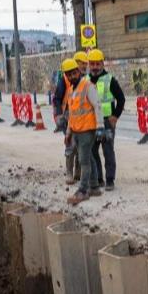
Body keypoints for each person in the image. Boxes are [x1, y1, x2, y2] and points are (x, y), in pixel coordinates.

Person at [64, 58, 106, 204]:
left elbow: (97, 106)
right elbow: (72, 113)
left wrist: (100, 127)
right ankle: (94, 187)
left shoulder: (87, 86)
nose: (71, 76)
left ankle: (83, 190)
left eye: (73, 73)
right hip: (77, 131)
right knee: (90, 158)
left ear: (78, 72)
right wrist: (69, 132)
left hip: (88, 130)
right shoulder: (71, 90)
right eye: (68, 74)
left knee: (83, 160)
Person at [87, 49, 126, 190]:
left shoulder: (110, 79)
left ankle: (110, 180)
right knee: (92, 151)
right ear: (89, 65)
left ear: (102, 64)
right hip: (91, 123)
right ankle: (98, 178)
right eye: (92, 64)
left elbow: (121, 99)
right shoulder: (85, 81)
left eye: (98, 64)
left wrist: (115, 116)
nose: (95, 67)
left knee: (108, 150)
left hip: (105, 124)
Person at [59, 51, 90, 184]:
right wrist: (58, 115)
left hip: (82, 116)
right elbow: (57, 98)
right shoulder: (65, 80)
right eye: (82, 63)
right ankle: (69, 173)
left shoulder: (85, 79)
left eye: (85, 64)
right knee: (71, 144)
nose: (84, 66)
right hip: (68, 115)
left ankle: (78, 172)